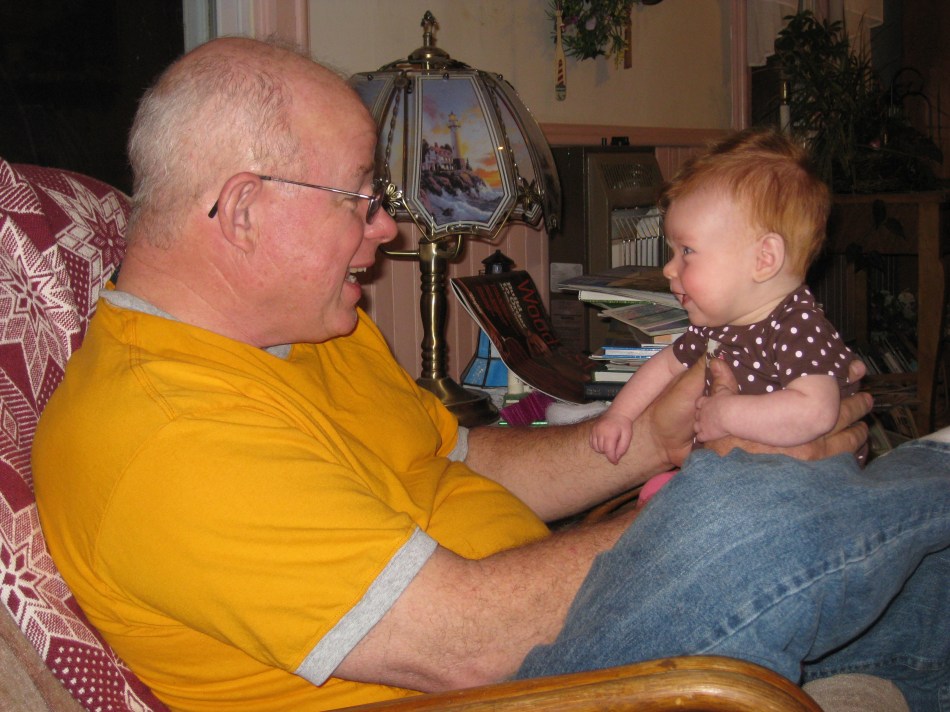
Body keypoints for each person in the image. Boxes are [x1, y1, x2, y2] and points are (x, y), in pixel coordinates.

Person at [30, 37, 949, 712]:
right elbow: (461, 648)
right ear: (241, 212)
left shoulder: (313, 331)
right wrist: (737, 485)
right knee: (739, 511)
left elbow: (466, 459)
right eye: (360, 196)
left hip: (574, 635)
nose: (387, 227)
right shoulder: (163, 437)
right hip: (509, 687)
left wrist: (662, 436)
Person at [592, 129, 855, 472]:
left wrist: (724, 413)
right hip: (730, 475)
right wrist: (619, 415)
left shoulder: (798, 326)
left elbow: (815, 413)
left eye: (687, 251)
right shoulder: (720, 325)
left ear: (764, 259)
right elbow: (664, 366)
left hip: (802, 491)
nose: (669, 268)